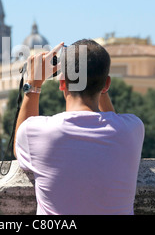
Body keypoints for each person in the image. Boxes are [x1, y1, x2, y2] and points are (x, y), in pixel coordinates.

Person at [14, 39, 144, 215]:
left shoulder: (35, 132)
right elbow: (111, 119)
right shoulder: (133, 129)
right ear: (107, 84)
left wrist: (34, 85)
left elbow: (18, 146)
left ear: (62, 84)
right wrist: (94, 77)